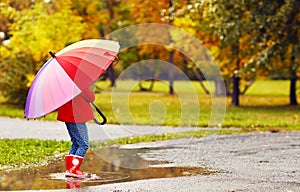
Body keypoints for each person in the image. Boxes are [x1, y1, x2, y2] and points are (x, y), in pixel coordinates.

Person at [57, 88, 95, 178]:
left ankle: (70, 169)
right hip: (77, 117)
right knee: (83, 144)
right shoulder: (79, 82)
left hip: (68, 116)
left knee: (76, 143)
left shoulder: (63, 83)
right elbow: (91, 97)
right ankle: (74, 170)